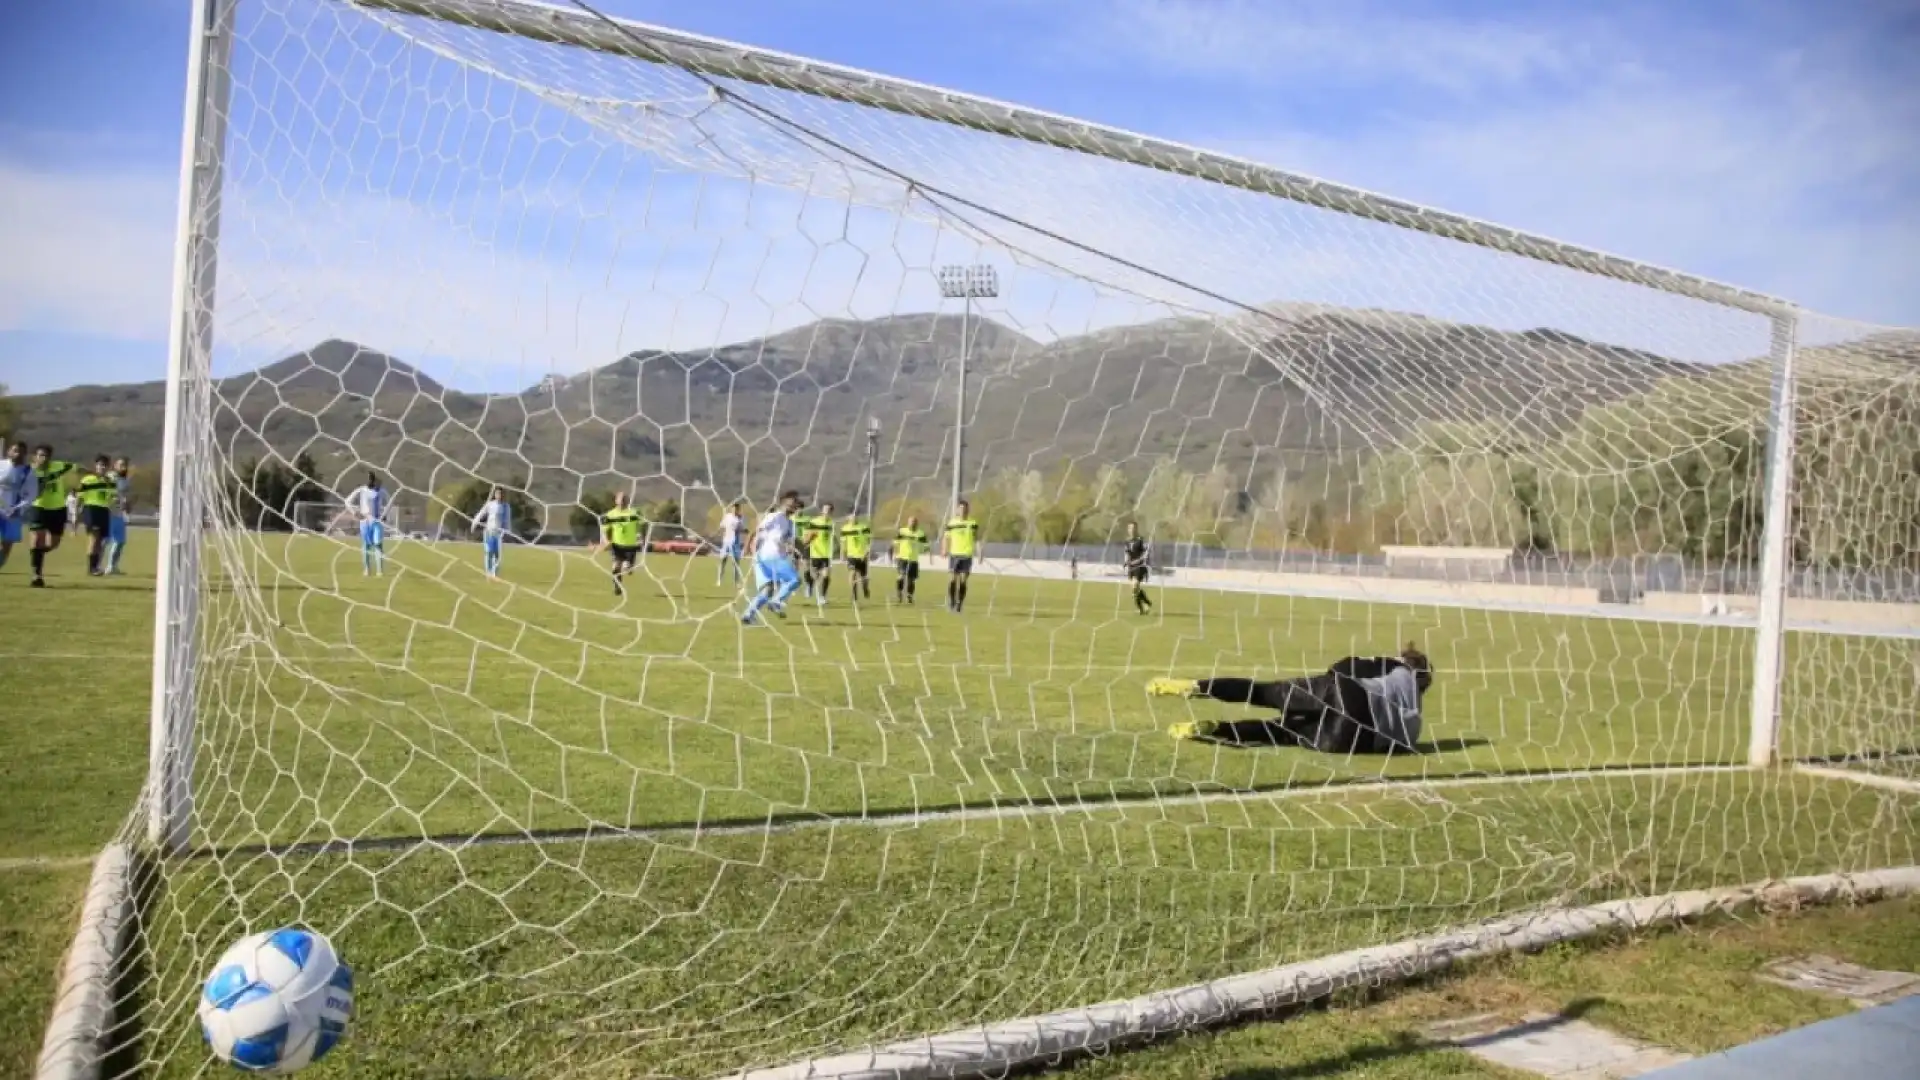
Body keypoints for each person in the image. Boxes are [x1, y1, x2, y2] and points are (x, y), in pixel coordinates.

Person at [1147, 645, 1434, 755]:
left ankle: (1196, 686)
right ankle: (1215, 729)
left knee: (1263, 693)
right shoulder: (1414, 729)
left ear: (1407, 662)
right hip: (1345, 740)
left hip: (1346, 694)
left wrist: (1328, 680)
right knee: (1278, 732)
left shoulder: (1397, 668)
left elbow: (1345, 667)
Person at [743, 491, 804, 625]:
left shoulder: (790, 523)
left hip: (763, 559)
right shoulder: (775, 516)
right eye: (792, 503)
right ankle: (777, 602)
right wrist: (747, 546)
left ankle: (748, 615)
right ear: (784, 503)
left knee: (767, 590)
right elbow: (756, 530)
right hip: (771, 556)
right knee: (795, 580)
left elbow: (793, 542)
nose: (795, 506)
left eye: (796, 504)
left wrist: (802, 545)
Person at [27, 445, 76, 588]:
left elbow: (75, 467)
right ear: (35, 457)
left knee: (53, 544)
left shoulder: (59, 466)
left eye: (46, 456)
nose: (43, 458)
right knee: (37, 538)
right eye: (40, 455)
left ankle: (36, 554)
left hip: (58, 509)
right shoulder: (30, 472)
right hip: (38, 507)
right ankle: (36, 575)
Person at [77, 456, 118, 577]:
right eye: (100, 465)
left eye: (105, 465)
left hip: (104, 510)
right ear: (96, 466)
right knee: (94, 538)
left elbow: (112, 497)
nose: (102, 467)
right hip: (91, 509)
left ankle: (95, 565)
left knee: (101, 540)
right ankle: (92, 568)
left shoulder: (110, 482)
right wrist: (77, 512)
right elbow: (80, 496)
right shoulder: (88, 480)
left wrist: (116, 501)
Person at [598, 492, 644, 596]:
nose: (622, 501)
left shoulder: (634, 513)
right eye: (620, 499)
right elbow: (605, 529)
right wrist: (606, 541)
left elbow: (641, 525)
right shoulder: (610, 515)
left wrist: (640, 536)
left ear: (628, 501)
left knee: (626, 568)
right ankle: (617, 587)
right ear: (616, 501)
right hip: (617, 545)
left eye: (625, 499)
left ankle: (629, 567)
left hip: (630, 546)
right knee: (615, 567)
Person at [0, 442, 36, 574]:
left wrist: (17, 508)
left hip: (13, 512)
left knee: (7, 545)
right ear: (9, 451)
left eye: (21, 451)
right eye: (15, 450)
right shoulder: (1, 465)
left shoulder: (29, 472)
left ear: (25, 454)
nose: (18, 454)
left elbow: (31, 494)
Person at [344, 472, 389, 576]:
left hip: (377, 521)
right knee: (366, 545)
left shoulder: (380, 491)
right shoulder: (361, 490)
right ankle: (367, 570)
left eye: (371, 479)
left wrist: (385, 514)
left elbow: (390, 501)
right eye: (368, 479)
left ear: (374, 480)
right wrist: (355, 513)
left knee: (378, 545)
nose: (369, 481)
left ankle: (379, 571)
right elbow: (347, 501)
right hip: (364, 521)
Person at [941, 500, 979, 613]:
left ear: (968, 510)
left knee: (963, 581)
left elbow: (976, 538)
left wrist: (980, 551)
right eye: (961, 509)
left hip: (966, 555)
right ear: (958, 510)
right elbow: (946, 537)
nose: (963, 511)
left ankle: (959, 604)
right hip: (954, 554)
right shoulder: (952, 523)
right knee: (952, 580)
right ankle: (952, 600)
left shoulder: (973, 523)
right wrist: (944, 549)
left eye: (965, 509)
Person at [470, 487, 511, 580]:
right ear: (494, 494)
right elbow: (481, 514)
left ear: (503, 495)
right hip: (489, 532)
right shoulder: (490, 505)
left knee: (497, 554)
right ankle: (488, 573)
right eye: (497, 494)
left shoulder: (506, 506)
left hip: (499, 533)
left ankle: (494, 574)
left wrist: (508, 532)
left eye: (500, 494)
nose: (498, 496)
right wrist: (474, 523)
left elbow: (507, 520)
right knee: (489, 552)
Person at [105, 457, 132, 575]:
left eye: (125, 465)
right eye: (120, 465)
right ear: (115, 465)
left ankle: (112, 567)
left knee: (120, 541)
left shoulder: (125, 480)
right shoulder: (110, 477)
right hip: (109, 512)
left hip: (119, 513)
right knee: (104, 541)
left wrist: (127, 505)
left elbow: (125, 496)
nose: (123, 467)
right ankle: (96, 567)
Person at [806, 502, 836, 607]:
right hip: (815, 553)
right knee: (814, 576)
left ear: (831, 512)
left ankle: (822, 597)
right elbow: (807, 536)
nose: (826, 512)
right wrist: (809, 539)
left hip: (826, 555)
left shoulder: (831, 523)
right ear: (822, 511)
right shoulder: (814, 522)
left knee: (826, 575)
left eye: (828, 510)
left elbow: (830, 538)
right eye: (825, 509)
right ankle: (809, 586)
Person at [892, 516, 926, 605]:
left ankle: (909, 597)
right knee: (901, 577)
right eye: (911, 522)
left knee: (911, 580)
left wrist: (924, 549)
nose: (912, 523)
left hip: (913, 559)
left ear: (917, 523)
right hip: (902, 558)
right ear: (908, 523)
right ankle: (899, 594)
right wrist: (895, 554)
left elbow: (925, 545)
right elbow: (895, 543)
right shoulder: (902, 531)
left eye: (914, 522)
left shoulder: (921, 533)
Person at [840, 511, 873, 603]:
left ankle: (865, 589)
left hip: (862, 556)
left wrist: (866, 552)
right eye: (851, 516)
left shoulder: (864, 527)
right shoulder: (845, 529)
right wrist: (842, 554)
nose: (853, 518)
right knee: (852, 573)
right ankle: (854, 595)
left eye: (855, 516)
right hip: (851, 556)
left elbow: (869, 541)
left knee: (864, 578)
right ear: (848, 517)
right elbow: (843, 542)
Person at [1122, 522, 1153, 615]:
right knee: (1134, 590)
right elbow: (1126, 553)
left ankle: (1142, 608)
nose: (1132, 530)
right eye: (1130, 528)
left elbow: (1145, 554)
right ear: (1128, 530)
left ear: (1136, 529)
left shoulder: (1140, 540)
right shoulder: (1127, 541)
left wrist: (1140, 560)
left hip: (1140, 566)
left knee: (1135, 585)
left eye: (1134, 528)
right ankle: (1145, 606)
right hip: (1131, 567)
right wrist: (1125, 562)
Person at [716, 501, 746, 586]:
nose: (734, 510)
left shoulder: (740, 518)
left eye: (736, 509)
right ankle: (719, 580)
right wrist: (717, 533)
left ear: (738, 509)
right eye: (733, 508)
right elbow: (721, 526)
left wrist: (743, 530)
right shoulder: (727, 517)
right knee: (723, 560)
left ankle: (736, 582)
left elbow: (742, 529)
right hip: (726, 542)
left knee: (736, 563)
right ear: (731, 509)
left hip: (735, 543)